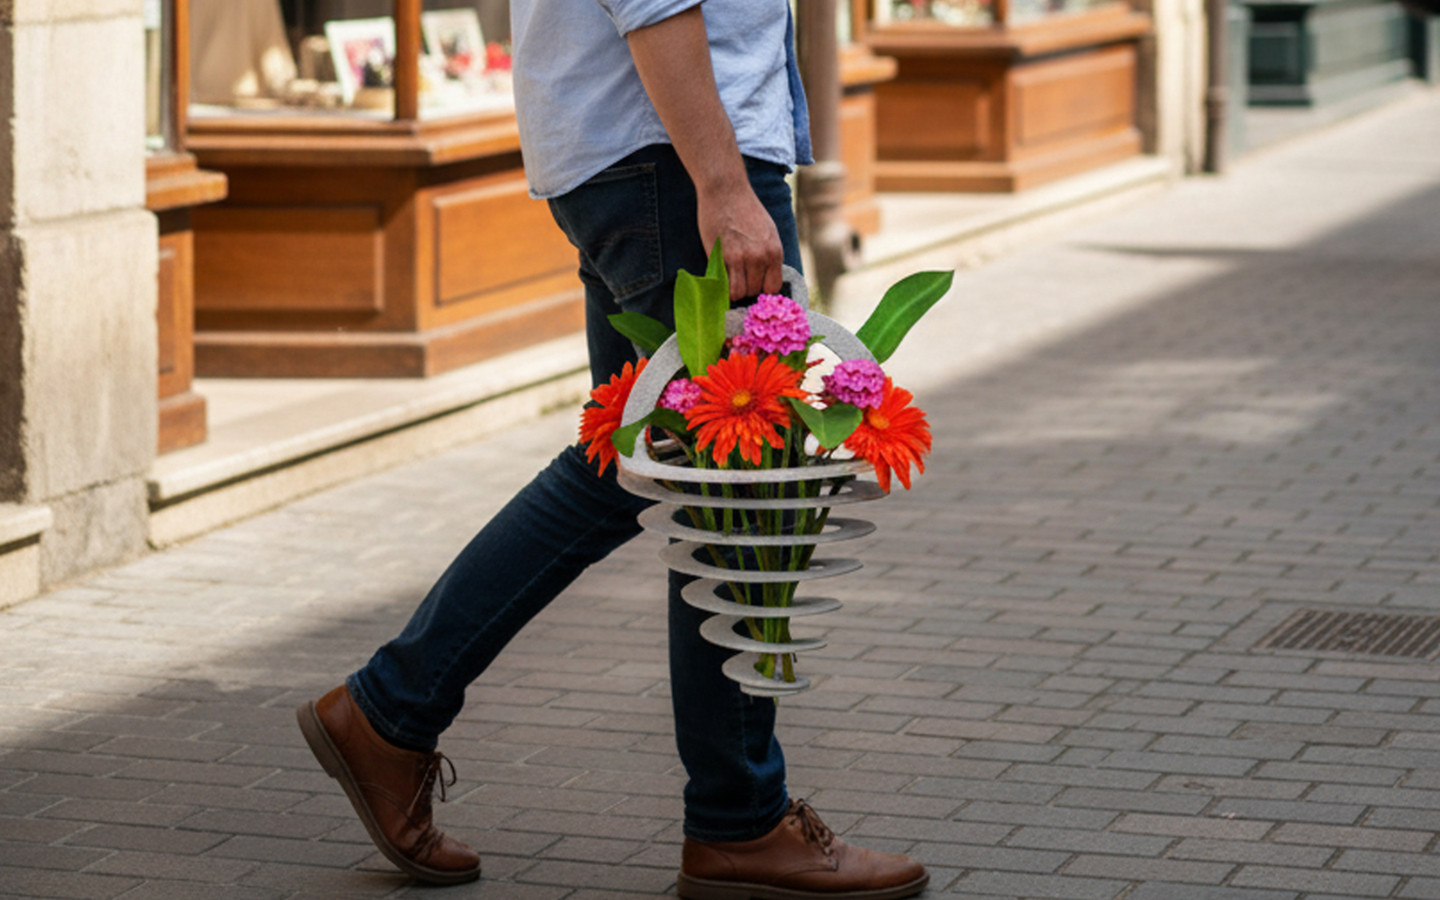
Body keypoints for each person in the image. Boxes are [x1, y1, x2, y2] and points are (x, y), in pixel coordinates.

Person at [295, 3, 930, 898]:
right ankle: (738, 821)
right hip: (674, 157)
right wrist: (721, 182)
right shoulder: (698, 172)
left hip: (641, 152)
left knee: (638, 471)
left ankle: (392, 710)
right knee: (734, 490)